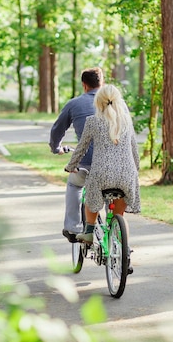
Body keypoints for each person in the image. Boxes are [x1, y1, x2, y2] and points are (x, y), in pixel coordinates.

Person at [64, 84, 140, 245]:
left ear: (98, 102)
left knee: (90, 198)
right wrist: (136, 170)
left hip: (101, 175)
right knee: (120, 216)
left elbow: (81, 148)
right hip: (127, 174)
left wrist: (71, 166)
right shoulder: (127, 121)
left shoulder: (93, 121)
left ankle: (89, 232)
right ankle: (121, 247)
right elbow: (134, 149)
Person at [49, 67, 104, 243]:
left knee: (75, 185)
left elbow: (57, 129)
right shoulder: (114, 103)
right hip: (113, 164)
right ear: (101, 84)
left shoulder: (74, 104)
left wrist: (55, 148)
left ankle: (73, 228)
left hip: (86, 165)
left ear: (84, 85)